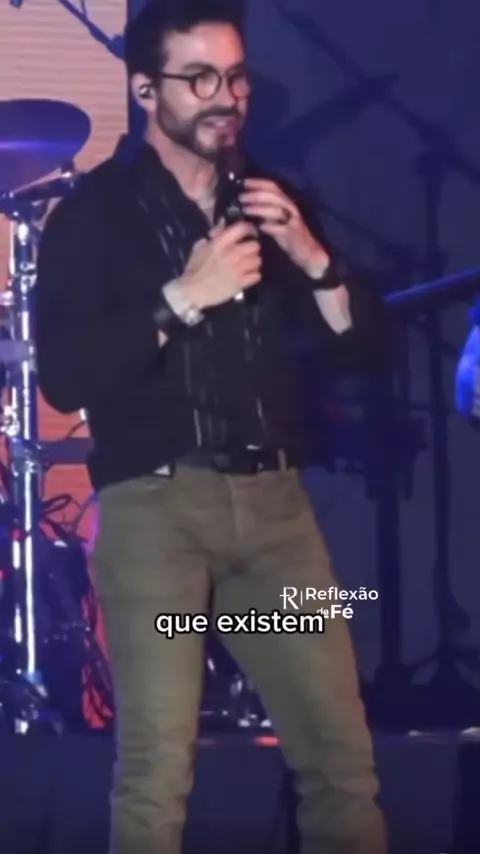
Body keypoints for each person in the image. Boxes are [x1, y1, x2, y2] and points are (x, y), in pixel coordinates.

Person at [34, 1, 389, 852]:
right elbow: (67, 377)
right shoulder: (93, 217)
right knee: (159, 769)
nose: (225, 97)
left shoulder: (273, 201)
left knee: (340, 760)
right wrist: (182, 299)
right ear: (146, 90)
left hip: (276, 518)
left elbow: (362, 352)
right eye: (199, 79)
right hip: (158, 515)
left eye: (234, 77)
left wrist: (314, 260)